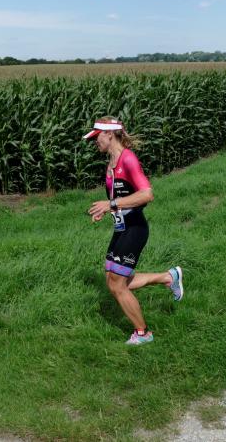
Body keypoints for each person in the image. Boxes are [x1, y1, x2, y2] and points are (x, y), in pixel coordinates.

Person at [83, 117, 183, 346]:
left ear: (110, 134)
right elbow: (120, 198)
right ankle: (169, 277)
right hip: (122, 228)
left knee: (117, 284)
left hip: (135, 229)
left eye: (97, 136)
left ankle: (143, 333)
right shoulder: (111, 162)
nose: (95, 141)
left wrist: (110, 204)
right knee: (112, 280)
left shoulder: (128, 159)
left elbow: (147, 194)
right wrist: (106, 210)